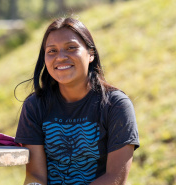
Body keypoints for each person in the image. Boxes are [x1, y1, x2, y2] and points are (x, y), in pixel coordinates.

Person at [15, 17, 139, 185]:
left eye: (71, 48)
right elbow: (35, 175)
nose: (60, 57)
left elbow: (115, 178)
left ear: (91, 54)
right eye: (52, 51)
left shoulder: (116, 105)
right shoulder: (34, 106)